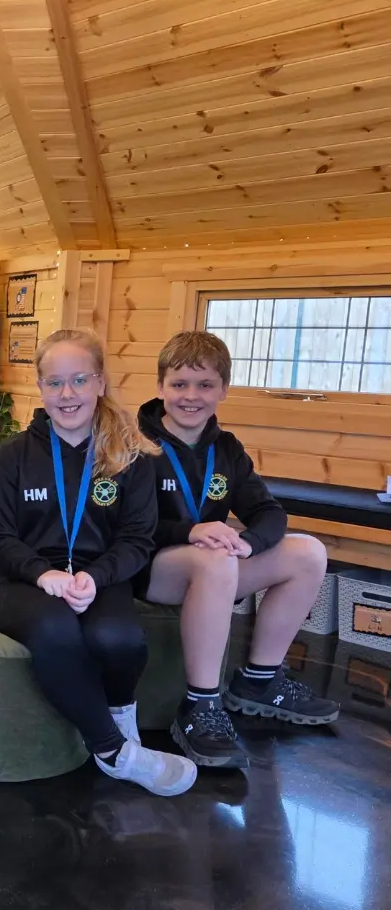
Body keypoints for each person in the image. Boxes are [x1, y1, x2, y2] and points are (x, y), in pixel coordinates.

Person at [0, 329, 198, 796]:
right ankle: (114, 751)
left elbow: (137, 539)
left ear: (100, 382)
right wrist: (43, 574)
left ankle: (122, 719)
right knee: (55, 627)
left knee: (118, 638)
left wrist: (93, 577)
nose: (67, 394)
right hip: (21, 580)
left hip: (99, 577)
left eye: (80, 379)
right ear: (40, 387)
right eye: (54, 382)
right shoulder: (13, 454)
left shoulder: (131, 456)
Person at [137, 329, 339, 769]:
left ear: (223, 390)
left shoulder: (226, 449)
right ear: (160, 387)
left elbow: (269, 512)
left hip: (214, 567)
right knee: (214, 557)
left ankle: (259, 680)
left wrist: (248, 543)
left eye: (205, 385)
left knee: (308, 552)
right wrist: (191, 531)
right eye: (179, 384)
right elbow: (124, 527)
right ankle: (200, 704)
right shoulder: (136, 445)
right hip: (149, 568)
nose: (192, 396)